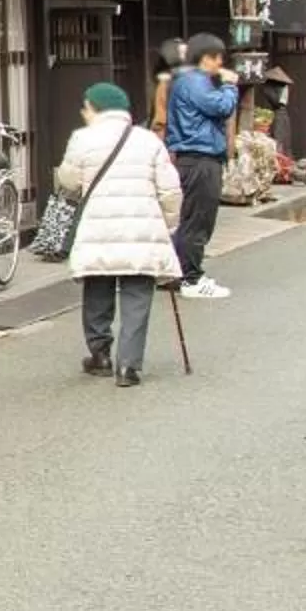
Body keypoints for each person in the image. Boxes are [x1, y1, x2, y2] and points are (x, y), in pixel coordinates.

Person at [54, 82, 185, 387]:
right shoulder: (149, 140)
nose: (84, 113)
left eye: (86, 108)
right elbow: (170, 190)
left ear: (95, 108)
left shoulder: (82, 139)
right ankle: (128, 366)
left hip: (98, 227)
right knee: (137, 295)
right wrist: (168, 225)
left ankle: (99, 355)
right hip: (142, 229)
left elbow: (69, 181)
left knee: (97, 287)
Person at [161, 34, 240, 300]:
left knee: (189, 219)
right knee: (198, 220)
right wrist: (229, 85)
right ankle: (191, 278)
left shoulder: (187, 80)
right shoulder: (194, 81)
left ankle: (176, 273)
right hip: (200, 157)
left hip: (193, 157)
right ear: (206, 58)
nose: (220, 64)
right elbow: (221, 107)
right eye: (218, 58)